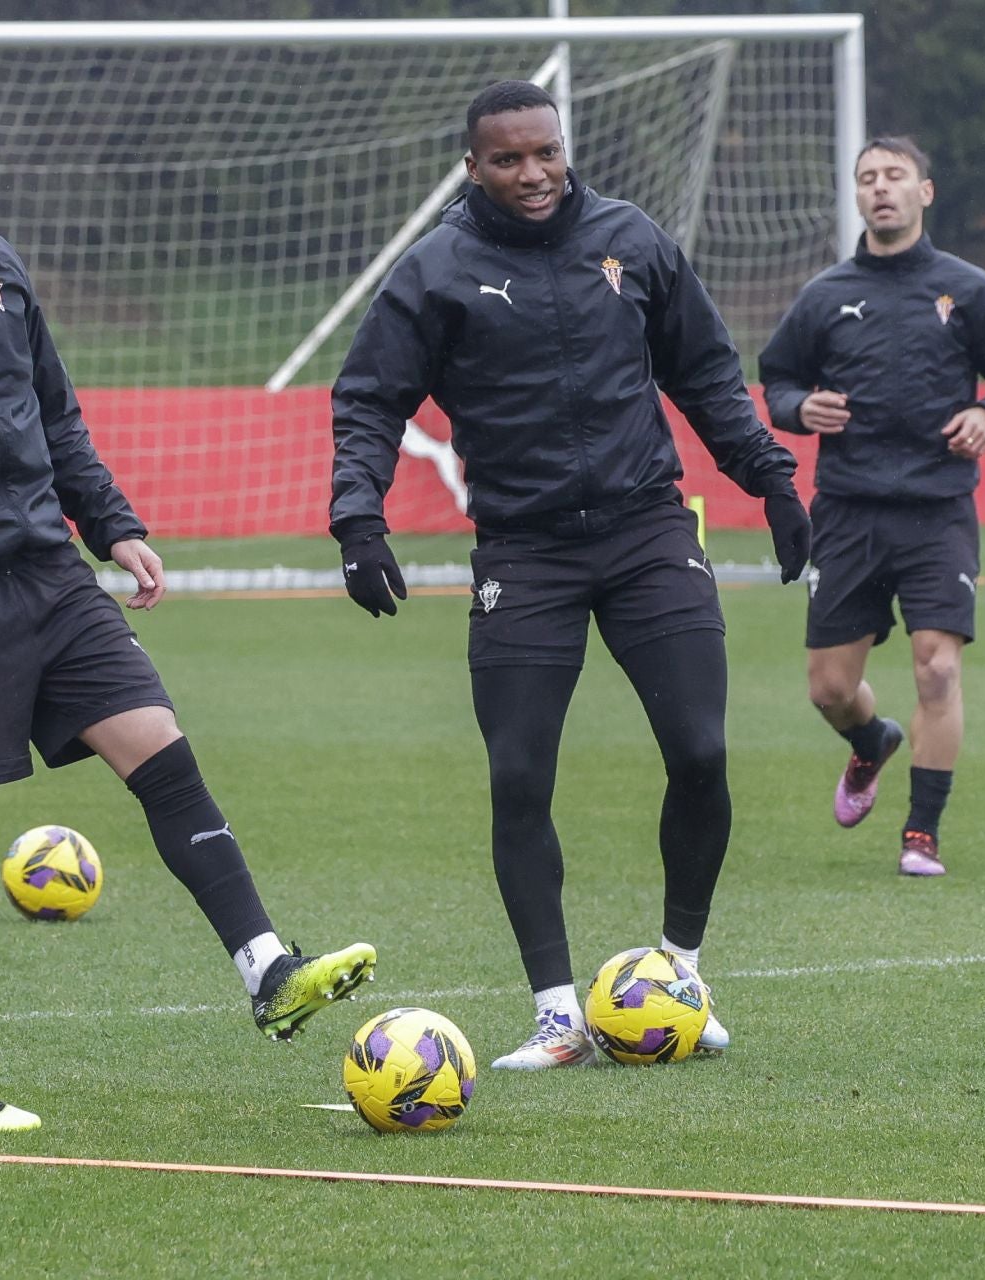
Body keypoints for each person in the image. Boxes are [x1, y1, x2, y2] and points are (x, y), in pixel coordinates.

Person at [0, 86, 375, 1133]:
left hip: (53, 576)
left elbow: (55, 416)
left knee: (162, 750)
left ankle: (268, 967)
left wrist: (115, 525)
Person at [329, 81, 811, 1070]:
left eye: (545, 152)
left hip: (646, 532)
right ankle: (556, 1012)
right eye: (508, 159)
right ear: (473, 167)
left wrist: (771, 478)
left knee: (702, 752)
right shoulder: (437, 271)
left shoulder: (632, 241)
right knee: (518, 776)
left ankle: (676, 971)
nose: (534, 173)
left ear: (565, 146)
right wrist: (357, 518)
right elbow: (371, 400)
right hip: (525, 550)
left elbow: (708, 373)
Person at [758, 135, 985, 878]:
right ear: (856, 196)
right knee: (828, 688)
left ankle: (922, 832)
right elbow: (777, 379)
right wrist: (798, 407)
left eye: (895, 176)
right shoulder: (826, 295)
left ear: (926, 191)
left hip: (938, 510)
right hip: (848, 512)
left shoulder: (969, 290)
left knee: (937, 670)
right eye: (867, 178)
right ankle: (870, 742)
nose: (880, 188)